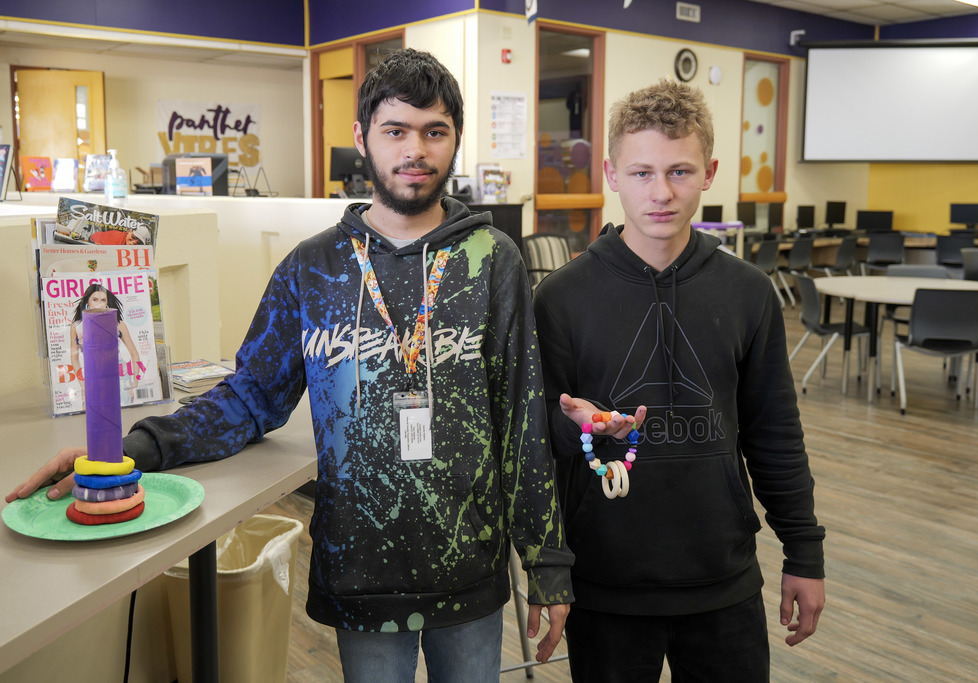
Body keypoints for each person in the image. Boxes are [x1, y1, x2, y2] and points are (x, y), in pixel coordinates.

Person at [8, 48, 572, 682]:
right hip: (361, 572)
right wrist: (130, 449)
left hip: (470, 568)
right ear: (362, 138)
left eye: (434, 131)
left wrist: (547, 560)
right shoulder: (314, 268)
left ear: (454, 140)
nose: (415, 149)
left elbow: (522, 416)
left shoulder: (493, 260)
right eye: (396, 130)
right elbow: (250, 397)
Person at [532, 79, 825, 682]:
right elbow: (539, 451)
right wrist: (551, 567)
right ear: (611, 175)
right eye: (641, 173)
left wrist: (805, 551)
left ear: (710, 172)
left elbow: (774, 433)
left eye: (680, 172)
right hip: (605, 585)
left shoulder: (748, 293)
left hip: (723, 580)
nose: (660, 192)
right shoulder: (559, 299)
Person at [68, 283, 143, 405]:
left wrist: (135, 380)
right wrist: (82, 385)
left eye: (103, 300)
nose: (99, 303)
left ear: (107, 303)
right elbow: (74, 357)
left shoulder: (118, 324)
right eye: (95, 299)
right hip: (92, 378)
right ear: (88, 302)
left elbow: (134, 353)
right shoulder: (77, 327)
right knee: (92, 414)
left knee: (123, 413)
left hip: (120, 378)